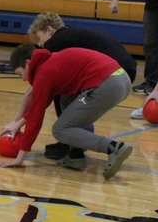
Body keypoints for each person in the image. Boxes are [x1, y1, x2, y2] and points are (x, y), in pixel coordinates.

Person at [0, 44, 133, 180]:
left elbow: (36, 117)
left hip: (108, 85)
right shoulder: (49, 62)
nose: (23, 79)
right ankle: (76, 155)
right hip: (121, 78)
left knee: (60, 130)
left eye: (20, 74)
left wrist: (20, 158)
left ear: (28, 63)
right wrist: (17, 124)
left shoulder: (43, 74)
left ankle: (114, 147)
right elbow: (39, 106)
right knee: (65, 100)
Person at [27, 12, 137, 161]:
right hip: (124, 71)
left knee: (59, 95)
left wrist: (18, 121)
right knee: (66, 95)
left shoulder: (55, 42)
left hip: (112, 75)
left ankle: (68, 142)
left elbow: (38, 88)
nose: (40, 45)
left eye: (39, 39)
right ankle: (75, 150)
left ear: (50, 30)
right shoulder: (72, 35)